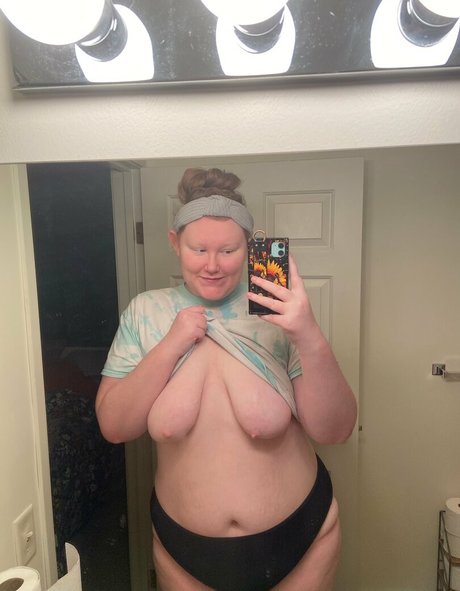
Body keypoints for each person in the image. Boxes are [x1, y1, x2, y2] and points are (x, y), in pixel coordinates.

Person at [95, 167, 357, 591]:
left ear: (249, 248)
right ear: (175, 243)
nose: (213, 266)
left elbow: (336, 430)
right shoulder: (146, 313)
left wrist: (307, 331)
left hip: (303, 536)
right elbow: (114, 426)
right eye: (199, 249)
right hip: (184, 550)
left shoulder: (277, 311)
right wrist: (173, 343)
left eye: (229, 250)